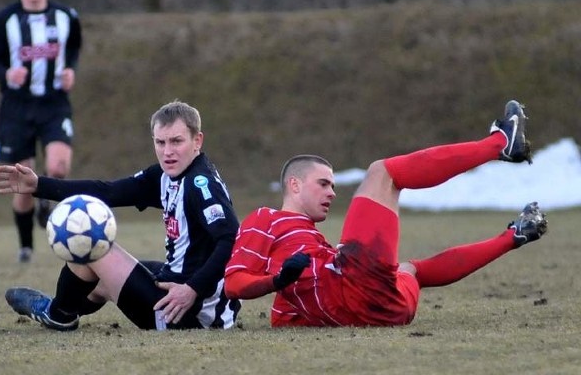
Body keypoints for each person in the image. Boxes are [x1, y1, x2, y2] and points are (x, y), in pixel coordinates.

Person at [224, 100, 548, 327]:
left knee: (411, 269)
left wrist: (287, 292)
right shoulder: (266, 219)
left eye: (333, 185)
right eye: (323, 183)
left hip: (386, 309)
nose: (332, 193)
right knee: (383, 173)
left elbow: (288, 314)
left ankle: (514, 235)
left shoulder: (307, 243)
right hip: (361, 294)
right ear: (293, 185)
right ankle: (499, 145)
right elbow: (235, 283)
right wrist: (278, 280)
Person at [0, 101, 241, 331]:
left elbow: (230, 239)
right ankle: (63, 309)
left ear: (197, 141)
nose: (167, 152)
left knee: (89, 240)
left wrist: (191, 289)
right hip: (181, 290)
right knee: (100, 276)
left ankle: (57, 313)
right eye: (160, 142)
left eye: (176, 141)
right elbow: (107, 192)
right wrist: (38, 185)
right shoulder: (166, 176)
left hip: (188, 315)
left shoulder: (200, 185)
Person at [0, 0, 83, 263]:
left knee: (59, 167)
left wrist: (70, 71)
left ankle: (47, 207)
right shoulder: (5, 20)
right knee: (21, 183)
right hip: (16, 107)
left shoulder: (66, 16)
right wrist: (6, 74)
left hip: (54, 103)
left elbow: (74, 47)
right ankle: (26, 246)